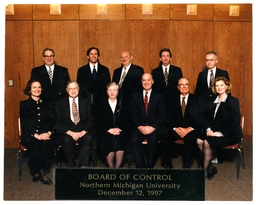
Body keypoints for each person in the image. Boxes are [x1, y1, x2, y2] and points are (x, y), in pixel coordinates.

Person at [196, 76, 242, 180]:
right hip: (214, 131)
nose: (219, 87)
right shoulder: (212, 100)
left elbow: (234, 122)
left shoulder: (233, 101)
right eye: (217, 85)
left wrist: (220, 133)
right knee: (199, 140)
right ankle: (210, 167)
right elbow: (205, 117)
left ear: (226, 86)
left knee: (207, 142)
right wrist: (208, 129)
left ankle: (204, 171)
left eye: (221, 85)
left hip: (230, 133)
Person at [20, 80, 55, 185]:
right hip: (29, 134)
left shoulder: (47, 104)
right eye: (34, 87)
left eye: (39, 87)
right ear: (29, 90)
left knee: (47, 143)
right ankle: (41, 173)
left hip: (45, 134)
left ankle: (35, 171)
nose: (37, 89)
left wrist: (48, 133)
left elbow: (51, 121)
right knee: (35, 144)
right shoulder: (24, 105)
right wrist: (36, 135)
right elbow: (25, 123)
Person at [151, 48, 183, 160]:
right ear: (160, 58)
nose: (165, 57)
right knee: (162, 127)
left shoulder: (177, 70)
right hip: (159, 104)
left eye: (167, 55)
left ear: (170, 57)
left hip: (173, 103)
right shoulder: (155, 72)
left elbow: (180, 87)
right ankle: (162, 151)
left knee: (172, 126)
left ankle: (172, 150)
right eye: (163, 56)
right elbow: (153, 89)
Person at [130, 73, 167, 168]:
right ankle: (140, 166)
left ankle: (150, 167)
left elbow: (163, 115)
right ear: (141, 82)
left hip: (153, 128)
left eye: (148, 80)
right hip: (140, 127)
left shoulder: (159, 96)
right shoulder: (135, 96)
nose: (146, 82)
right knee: (134, 139)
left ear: (152, 81)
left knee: (153, 139)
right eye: (144, 80)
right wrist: (139, 126)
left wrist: (153, 127)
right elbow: (132, 114)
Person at [55, 80, 93, 167]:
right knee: (66, 140)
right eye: (70, 89)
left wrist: (83, 132)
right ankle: (71, 166)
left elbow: (90, 120)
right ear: (67, 90)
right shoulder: (60, 103)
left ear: (79, 89)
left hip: (82, 131)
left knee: (88, 138)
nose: (73, 91)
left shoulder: (86, 102)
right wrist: (70, 133)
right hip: (68, 132)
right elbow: (58, 123)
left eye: (75, 88)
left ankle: (83, 166)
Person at [29, 48, 70, 121]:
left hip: (59, 105)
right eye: (46, 56)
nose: (49, 58)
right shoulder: (36, 71)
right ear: (43, 58)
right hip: (43, 105)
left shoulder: (63, 70)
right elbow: (32, 88)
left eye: (51, 56)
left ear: (54, 57)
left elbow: (67, 88)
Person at [168, 77, 200, 168]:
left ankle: (187, 167)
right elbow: (168, 116)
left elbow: (200, 117)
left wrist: (189, 128)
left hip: (190, 129)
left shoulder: (196, 99)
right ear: (178, 87)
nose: (184, 86)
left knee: (190, 139)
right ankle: (167, 164)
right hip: (176, 128)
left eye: (186, 84)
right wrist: (175, 128)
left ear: (189, 87)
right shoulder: (171, 99)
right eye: (181, 84)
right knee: (165, 135)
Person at [112, 51, 144, 141]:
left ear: (131, 58)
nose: (124, 59)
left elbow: (138, 89)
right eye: (122, 57)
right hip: (118, 104)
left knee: (129, 130)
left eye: (126, 57)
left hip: (131, 104)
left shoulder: (138, 70)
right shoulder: (116, 71)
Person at [97, 82, 126, 168]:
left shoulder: (123, 105)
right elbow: (98, 121)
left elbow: (126, 121)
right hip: (105, 131)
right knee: (107, 140)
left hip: (120, 131)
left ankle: (116, 169)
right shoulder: (100, 105)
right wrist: (108, 129)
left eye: (114, 90)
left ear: (118, 92)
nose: (112, 92)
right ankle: (111, 168)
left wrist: (119, 129)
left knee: (120, 140)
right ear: (107, 92)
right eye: (110, 90)